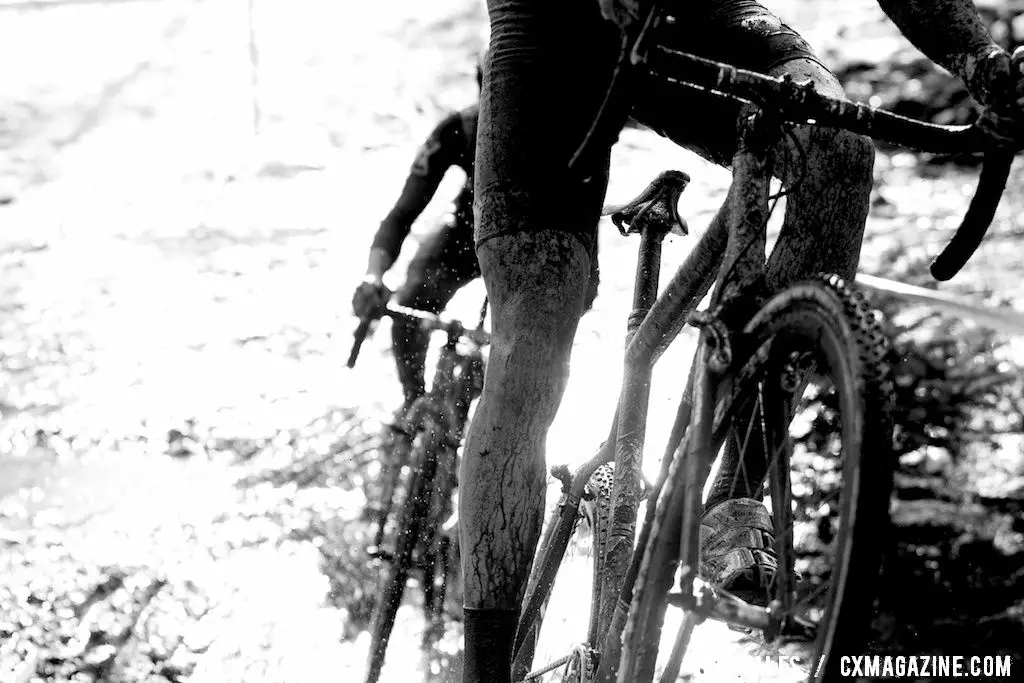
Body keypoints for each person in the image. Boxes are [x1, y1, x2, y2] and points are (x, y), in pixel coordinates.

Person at [458, 1, 1024, 681]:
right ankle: (483, 672)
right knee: (536, 322)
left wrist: (986, 65)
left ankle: (730, 498)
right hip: (550, 33)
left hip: (696, 11)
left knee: (837, 147)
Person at [351, 53, 600, 411]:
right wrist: (373, 276)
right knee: (412, 300)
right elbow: (402, 214)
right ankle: (414, 407)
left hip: (531, 245)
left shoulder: (566, 139)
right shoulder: (460, 129)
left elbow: (584, 240)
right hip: (466, 234)